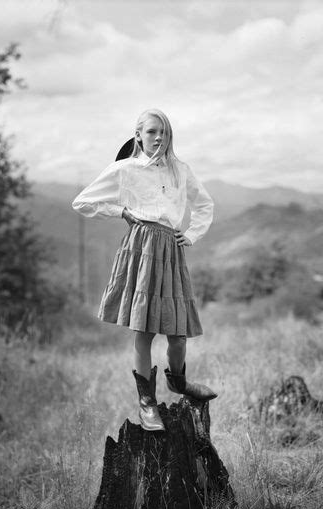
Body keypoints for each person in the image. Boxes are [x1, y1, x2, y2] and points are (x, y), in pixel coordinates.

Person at [72, 108, 217, 432]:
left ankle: (179, 384)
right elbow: (82, 202)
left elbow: (205, 204)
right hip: (141, 248)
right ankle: (147, 403)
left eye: (164, 133)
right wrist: (120, 209)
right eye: (152, 132)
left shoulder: (180, 170)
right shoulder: (125, 169)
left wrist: (191, 234)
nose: (159, 138)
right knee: (145, 331)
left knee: (178, 335)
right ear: (138, 135)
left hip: (171, 250)